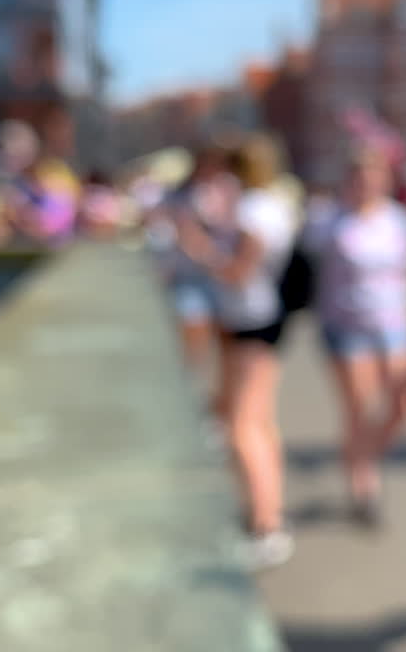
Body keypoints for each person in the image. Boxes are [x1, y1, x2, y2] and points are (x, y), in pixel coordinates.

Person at [188, 132, 300, 569]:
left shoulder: (255, 210)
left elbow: (237, 272)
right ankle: (267, 511)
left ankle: (266, 523)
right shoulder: (274, 204)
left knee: (242, 428)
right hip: (260, 320)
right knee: (260, 423)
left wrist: (197, 247)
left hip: (250, 321)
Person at [304, 144, 406, 525]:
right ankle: (364, 484)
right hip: (346, 325)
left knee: (405, 403)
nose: (366, 186)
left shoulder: (398, 220)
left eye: (373, 178)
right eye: (359, 179)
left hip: (392, 323)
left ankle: (364, 453)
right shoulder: (330, 221)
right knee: (360, 408)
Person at [159, 143, 242, 366]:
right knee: (193, 336)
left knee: (229, 343)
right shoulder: (182, 193)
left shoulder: (228, 188)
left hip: (221, 274)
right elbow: (184, 233)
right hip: (191, 274)